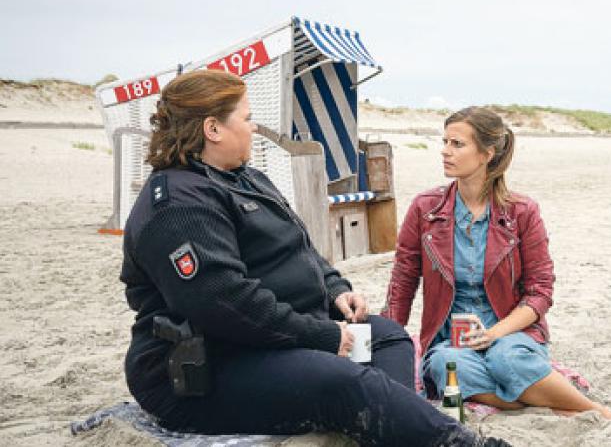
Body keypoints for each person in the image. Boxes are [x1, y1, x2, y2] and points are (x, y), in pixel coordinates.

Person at [120, 69, 509, 446]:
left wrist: (334, 288)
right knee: (341, 380)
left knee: (387, 337)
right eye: (247, 118)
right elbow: (225, 303)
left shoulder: (246, 178)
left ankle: (394, 426)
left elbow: (300, 248)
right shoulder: (177, 204)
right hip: (206, 367)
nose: (254, 127)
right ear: (213, 129)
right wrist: (323, 336)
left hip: (280, 337)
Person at [383, 106, 611, 420]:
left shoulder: (522, 211)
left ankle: (595, 410)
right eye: (444, 142)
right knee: (447, 366)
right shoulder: (425, 208)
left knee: (507, 359)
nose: (445, 151)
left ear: (487, 154)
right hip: (452, 337)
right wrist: (388, 336)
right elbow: (403, 278)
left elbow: (540, 291)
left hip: (513, 331)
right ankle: (546, 402)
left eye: (457, 144)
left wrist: (495, 333)